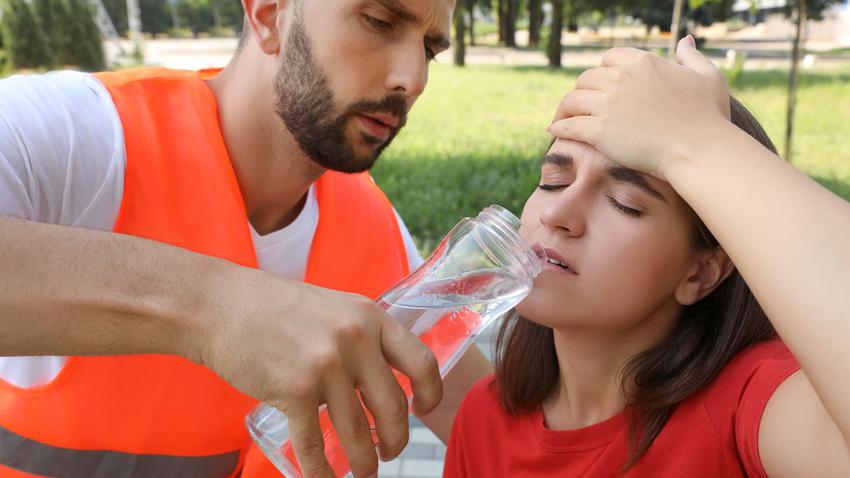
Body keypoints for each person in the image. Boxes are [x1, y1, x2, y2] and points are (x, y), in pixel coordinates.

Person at [0, 0, 494, 477]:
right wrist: (213, 307)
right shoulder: (75, 135)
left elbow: (493, 425)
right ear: (268, 14)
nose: (413, 79)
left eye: (429, 48)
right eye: (379, 20)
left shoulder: (374, 232)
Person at [444, 37, 850, 477]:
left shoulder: (747, 408)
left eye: (624, 202)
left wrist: (698, 142)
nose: (559, 214)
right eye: (553, 181)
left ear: (702, 272)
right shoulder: (483, 416)